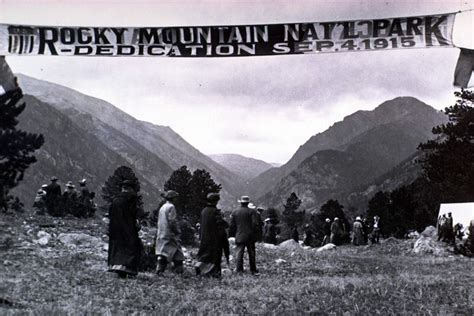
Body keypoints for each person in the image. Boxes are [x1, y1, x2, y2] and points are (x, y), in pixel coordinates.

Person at [107, 180, 141, 278]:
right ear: (129, 189)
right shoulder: (130, 200)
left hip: (115, 229)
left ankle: (116, 267)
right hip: (128, 228)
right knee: (131, 246)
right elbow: (133, 214)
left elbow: (110, 214)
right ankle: (126, 269)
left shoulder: (115, 200)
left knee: (117, 247)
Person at [195, 193, 229, 277]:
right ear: (215, 201)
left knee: (205, 255)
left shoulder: (204, 211)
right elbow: (220, 223)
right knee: (215, 256)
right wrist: (226, 223)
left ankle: (200, 267)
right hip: (214, 238)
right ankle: (215, 274)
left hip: (204, 237)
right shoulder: (215, 211)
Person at [155, 190, 185, 275]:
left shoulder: (163, 207)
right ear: (173, 198)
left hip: (162, 233)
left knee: (164, 253)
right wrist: (177, 230)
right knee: (176, 252)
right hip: (170, 234)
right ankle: (178, 271)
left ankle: (160, 270)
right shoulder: (171, 207)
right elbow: (172, 221)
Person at [229, 195, 259, 275]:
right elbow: (255, 224)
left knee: (239, 253)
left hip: (239, 235)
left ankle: (239, 270)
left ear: (241, 203)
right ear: (248, 203)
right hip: (250, 235)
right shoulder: (252, 212)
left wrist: (234, 233)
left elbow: (232, 225)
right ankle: (253, 269)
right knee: (251, 253)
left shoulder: (235, 212)